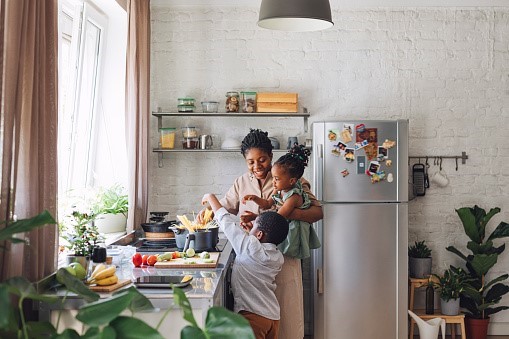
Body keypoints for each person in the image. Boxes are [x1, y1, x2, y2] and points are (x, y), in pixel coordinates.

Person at [197, 129, 323, 339]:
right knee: (261, 321)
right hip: (254, 266)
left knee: (288, 322)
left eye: (262, 160)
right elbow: (227, 207)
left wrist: (284, 214)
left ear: (271, 157)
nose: (257, 166)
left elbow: (318, 212)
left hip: (284, 259)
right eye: (251, 162)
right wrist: (209, 210)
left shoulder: (292, 180)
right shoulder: (241, 182)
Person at [201, 193, 289, 339]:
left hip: (253, 316)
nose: (251, 228)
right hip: (272, 316)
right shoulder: (277, 256)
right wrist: (252, 233)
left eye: (254, 225)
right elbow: (256, 251)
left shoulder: (250, 246)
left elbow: (225, 221)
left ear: (259, 235)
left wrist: (210, 197)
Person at [242, 144, 321, 259]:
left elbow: (276, 218)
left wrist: (255, 217)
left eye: (277, 179)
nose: (273, 182)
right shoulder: (279, 189)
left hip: (291, 234)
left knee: (283, 259)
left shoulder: (293, 197)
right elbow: (267, 204)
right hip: (279, 229)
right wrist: (255, 198)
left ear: (292, 181)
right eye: (273, 177)